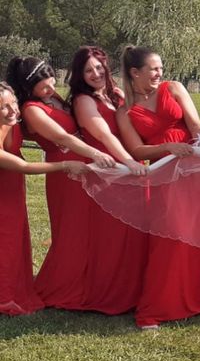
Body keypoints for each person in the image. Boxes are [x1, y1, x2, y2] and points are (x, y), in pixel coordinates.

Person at [116, 45, 200, 329]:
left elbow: (196, 125)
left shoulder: (174, 88)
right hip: (164, 176)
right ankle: (157, 308)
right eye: (153, 69)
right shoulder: (124, 111)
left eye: (160, 68)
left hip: (198, 170)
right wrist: (166, 148)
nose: (159, 73)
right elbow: (137, 150)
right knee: (169, 239)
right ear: (134, 72)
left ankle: (194, 300)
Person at [6, 56, 117, 311]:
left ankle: (90, 283)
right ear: (28, 88)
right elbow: (63, 137)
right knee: (72, 232)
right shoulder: (32, 109)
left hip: (87, 166)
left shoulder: (54, 97)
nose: (50, 87)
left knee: (92, 230)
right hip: (67, 173)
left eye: (51, 80)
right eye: (43, 86)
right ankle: (63, 287)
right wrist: (96, 153)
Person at [67, 46, 149, 315]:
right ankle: (111, 294)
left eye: (99, 67)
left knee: (135, 234)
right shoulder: (83, 100)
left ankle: (135, 290)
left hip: (129, 170)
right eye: (88, 70)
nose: (95, 73)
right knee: (114, 238)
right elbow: (105, 136)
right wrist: (128, 162)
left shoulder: (116, 94)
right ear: (79, 75)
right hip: (108, 174)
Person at [0, 81, 88, 316]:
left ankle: (11, 289)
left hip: (12, 190)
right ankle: (3, 296)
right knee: (5, 241)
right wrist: (65, 164)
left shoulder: (14, 122)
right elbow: (24, 165)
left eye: (14, 103)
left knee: (15, 240)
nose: (13, 111)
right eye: (4, 107)